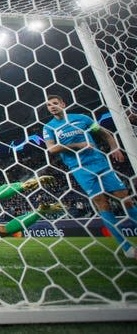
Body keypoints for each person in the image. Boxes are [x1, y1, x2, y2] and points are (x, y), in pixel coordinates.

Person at [43, 94, 136, 259]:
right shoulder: (49, 127)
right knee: (102, 204)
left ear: (63, 103)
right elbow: (52, 149)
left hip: (100, 162)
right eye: (49, 105)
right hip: (79, 168)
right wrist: (77, 145)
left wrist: (114, 147)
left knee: (125, 199)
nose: (52, 107)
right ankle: (126, 247)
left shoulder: (81, 119)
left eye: (55, 103)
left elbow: (104, 133)